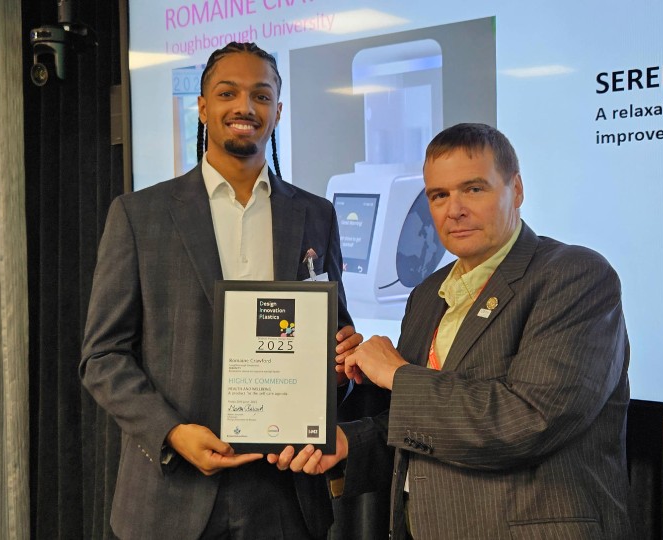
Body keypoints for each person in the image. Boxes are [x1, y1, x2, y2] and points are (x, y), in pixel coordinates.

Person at [273, 123, 632, 539]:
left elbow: (529, 420)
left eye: (473, 189)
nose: (453, 209)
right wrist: (349, 440)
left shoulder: (574, 276)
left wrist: (396, 373)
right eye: (439, 195)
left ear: (516, 189)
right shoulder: (427, 294)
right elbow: (417, 427)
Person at [80, 42, 364, 540]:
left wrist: (339, 365)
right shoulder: (138, 215)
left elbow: (330, 342)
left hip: (285, 496)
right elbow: (102, 357)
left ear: (278, 109)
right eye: (227, 92)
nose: (245, 107)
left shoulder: (315, 214)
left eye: (261, 94)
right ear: (203, 106)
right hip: (172, 493)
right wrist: (171, 434)